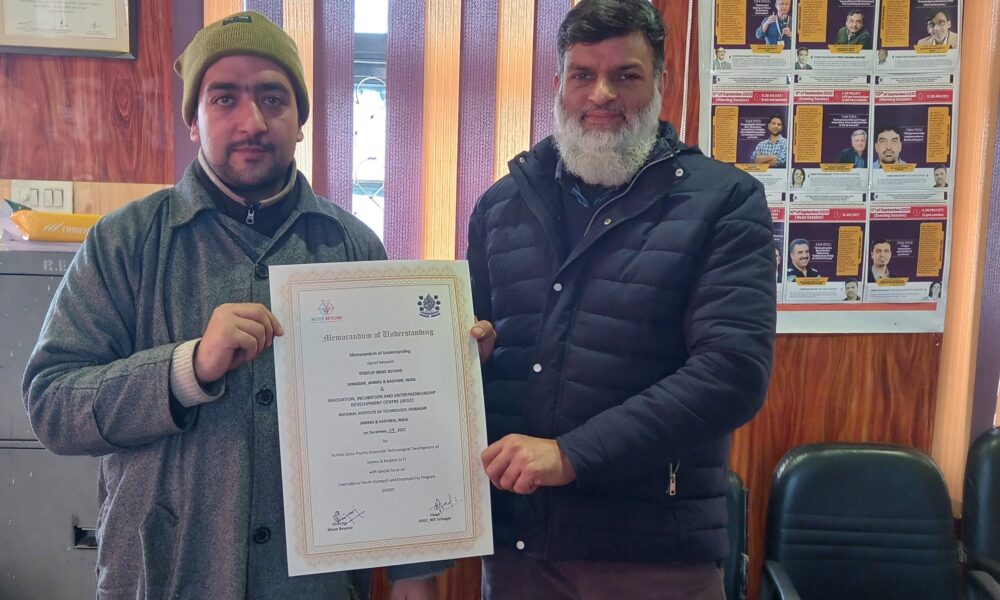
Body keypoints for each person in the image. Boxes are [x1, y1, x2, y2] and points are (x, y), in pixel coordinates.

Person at [21, 12, 447, 599]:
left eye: (273, 98)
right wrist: (185, 370)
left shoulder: (353, 248)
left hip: (313, 586)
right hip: (164, 578)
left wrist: (413, 575)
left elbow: (393, 427)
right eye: (224, 99)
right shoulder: (125, 242)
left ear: (301, 121)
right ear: (193, 122)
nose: (252, 122)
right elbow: (51, 405)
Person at [466, 1, 776, 598]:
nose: (601, 94)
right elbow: (480, 345)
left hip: (654, 556)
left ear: (661, 82)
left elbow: (732, 373)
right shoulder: (500, 207)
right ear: (558, 83)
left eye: (625, 75)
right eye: (583, 74)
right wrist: (468, 359)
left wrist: (571, 455)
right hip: (520, 550)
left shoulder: (726, 203)